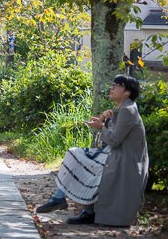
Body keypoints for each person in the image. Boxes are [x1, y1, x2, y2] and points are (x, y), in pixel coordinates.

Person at [35, 74, 149, 226]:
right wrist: (103, 119)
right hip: (115, 156)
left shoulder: (128, 110)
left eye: (116, 85)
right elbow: (112, 137)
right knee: (75, 155)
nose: (112, 88)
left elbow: (114, 141)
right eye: (112, 84)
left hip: (123, 161)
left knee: (77, 157)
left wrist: (101, 127)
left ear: (127, 92)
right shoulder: (123, 108)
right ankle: (64, 201)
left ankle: (64, 201)